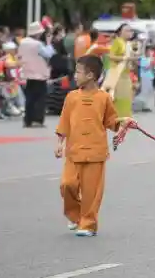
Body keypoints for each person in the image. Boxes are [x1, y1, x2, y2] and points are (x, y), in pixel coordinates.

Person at [56, 54, 132, 237]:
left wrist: (123, 123)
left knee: (91, 192)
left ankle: (88, 224)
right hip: (73, 152)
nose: (74, 76)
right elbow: (64, 122)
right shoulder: (71, 97)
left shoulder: (104, 98)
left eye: (78, 72)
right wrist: (59, 143)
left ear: (90, 75)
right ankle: (75, 215)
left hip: (96, 153)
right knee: (67, 185)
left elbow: (111, 121)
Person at [18, 22, 54, 127]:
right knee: (40, 97)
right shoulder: (37, 44)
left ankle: (27, 119)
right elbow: (48, 54)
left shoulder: (22, 42)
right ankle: (38, 119)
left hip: (28, 72)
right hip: (39, 73)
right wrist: (49, 43)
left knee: (29, 97)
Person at [101, 24, 136, 119]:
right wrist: (124, 58)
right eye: (127, 30)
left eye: (131, 30)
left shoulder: (129, 44)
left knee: (127, 97)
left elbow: (131, 59)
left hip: (126, 74)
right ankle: (117, 118)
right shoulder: (118, 42)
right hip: (117, 74)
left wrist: (133, 60)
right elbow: (111, 56)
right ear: (120, 32)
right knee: (119, 97)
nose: (130, 32)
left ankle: (125, 118)